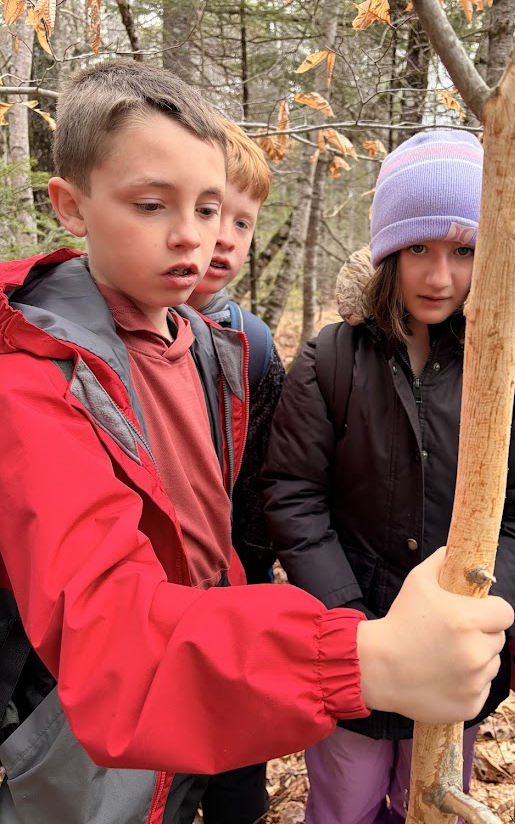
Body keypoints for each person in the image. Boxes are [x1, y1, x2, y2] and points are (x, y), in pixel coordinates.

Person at [0, 62, 514, 824]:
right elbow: (106, 628)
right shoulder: (33, 381)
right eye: (151, 204)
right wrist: (358, 657)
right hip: (82, 734)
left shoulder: (216, 353)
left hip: (207, 699)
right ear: (71, 205)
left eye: (211, 208)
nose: (193, 235)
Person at [262, 129, 515, 824]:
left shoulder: (512, 371)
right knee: (344, 802)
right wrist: (352, 621)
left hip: (454, 657)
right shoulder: (332, 359)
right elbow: (293, 494)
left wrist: (482, 620)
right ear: (386, 255)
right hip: (356, 646)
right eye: (417, 250)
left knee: (427, 804)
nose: (438, 278)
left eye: (463, 252)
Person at [184, 121, 285, 824]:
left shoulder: (254, 344)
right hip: (139, 600)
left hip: (231, 592)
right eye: (209, 211)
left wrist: (250, 580)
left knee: (235, 778)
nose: (224, 238)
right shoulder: (101, 332)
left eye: (242, 222)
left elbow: (262, 485)